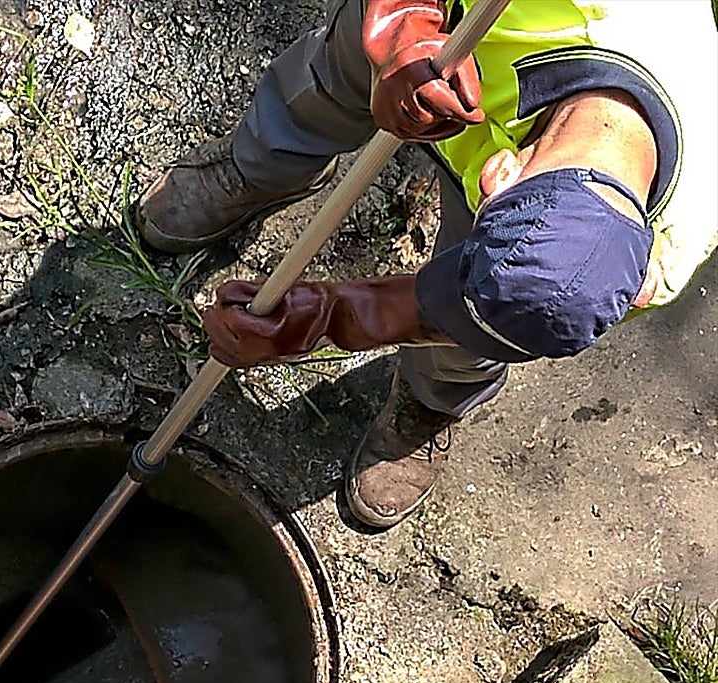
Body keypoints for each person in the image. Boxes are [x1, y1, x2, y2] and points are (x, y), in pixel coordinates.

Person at [135, 0, 718, 528]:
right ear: (503, 174)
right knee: (336, 81)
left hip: (520, 156)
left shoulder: (662, 257)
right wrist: (402, 30)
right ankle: (260, 166)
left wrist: (316, 320)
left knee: (475, 340)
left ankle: (430, 401)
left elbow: (464, 310)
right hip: (452, 39)